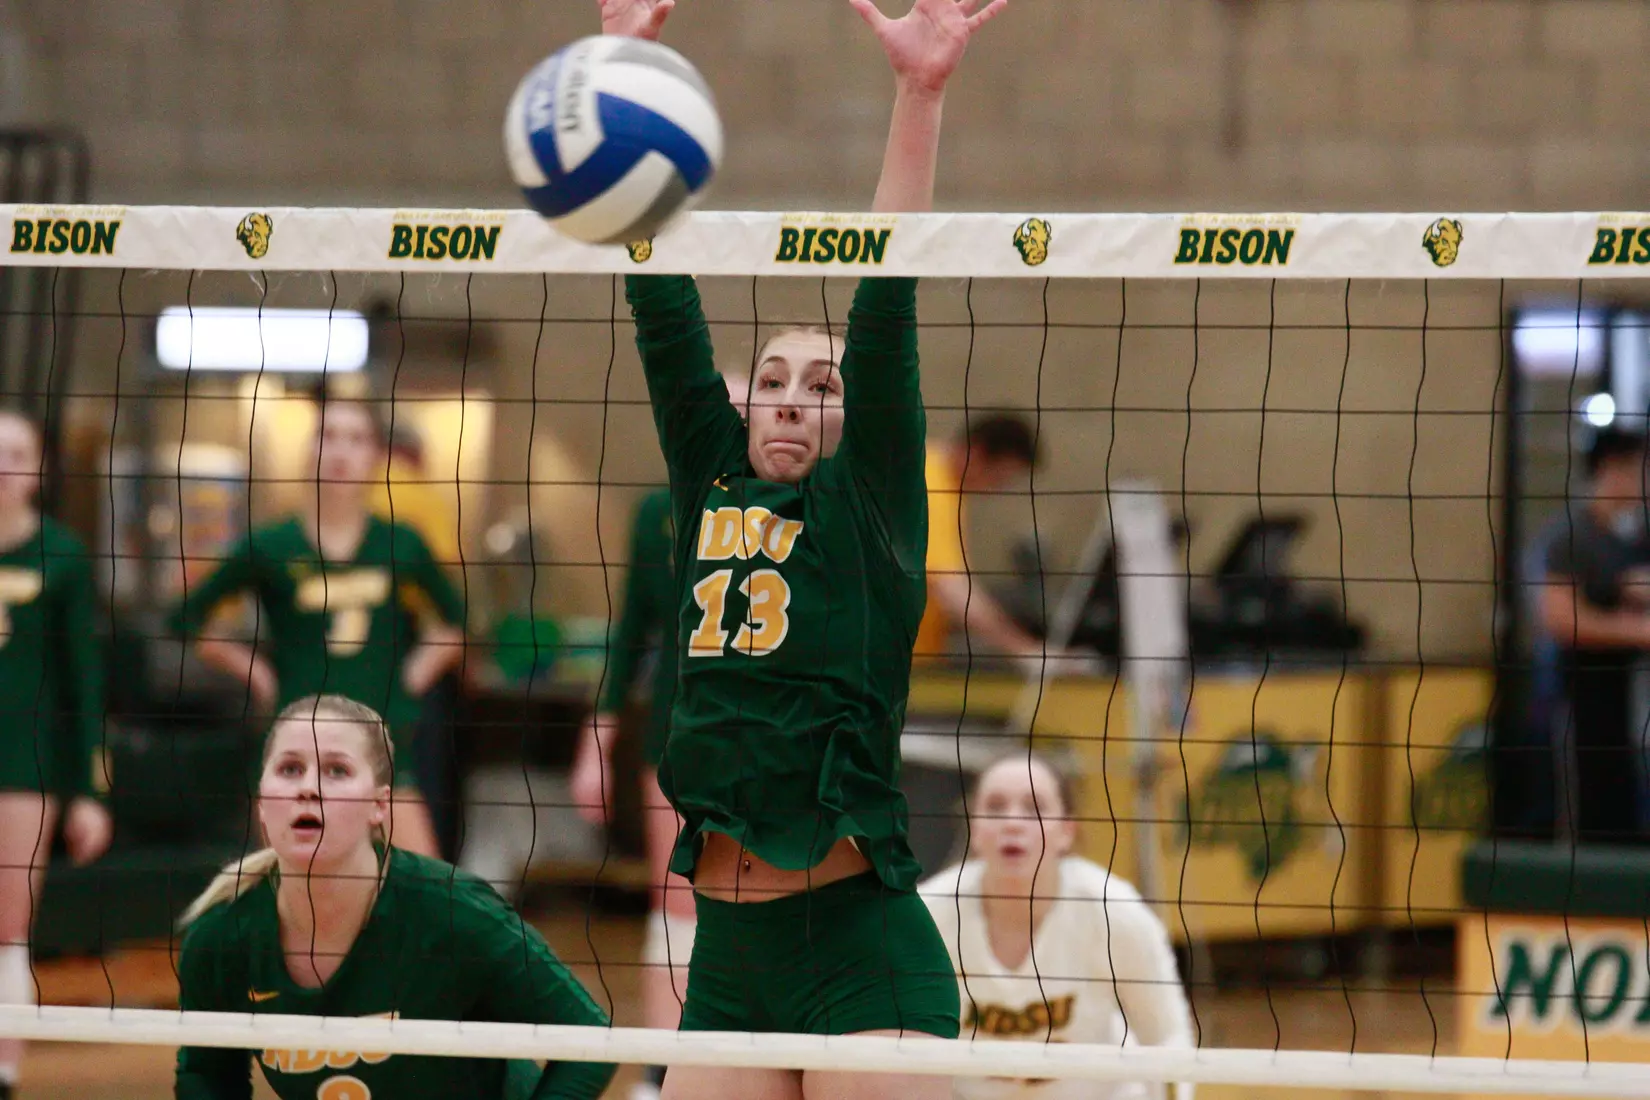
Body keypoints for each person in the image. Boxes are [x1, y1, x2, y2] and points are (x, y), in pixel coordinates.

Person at [607, 0, 1006, 1096]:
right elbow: (660, 305)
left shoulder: (869, 505)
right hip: (727, 958)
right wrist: (628, 78)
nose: (788, 398)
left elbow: (887, 294)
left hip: (857, 952)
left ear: (851, 416)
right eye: (772, 379)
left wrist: (920, 92)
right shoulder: (708, 481)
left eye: (820, 385)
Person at [174, 695, 617, 1100]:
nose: (308, 787)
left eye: (337, 770)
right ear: (261, 802)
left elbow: (590, 1038)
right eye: (290, 769)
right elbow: (206, 1076)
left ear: (380, 806)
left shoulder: (455, 913)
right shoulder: (223, 935)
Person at [172, 400, 466, 858]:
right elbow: (185, 618)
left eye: (356, 439)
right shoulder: (270, 545)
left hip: (382, 741)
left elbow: (458, 623)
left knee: (425, 885)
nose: (340, 452)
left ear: (376, 457)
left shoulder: (402, 543)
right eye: (328, 437)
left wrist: (414, 675)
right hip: (297, 739)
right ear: (308, 453)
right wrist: (255, 672)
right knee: (298, 884)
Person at [569, 372, 748, 1100]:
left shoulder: (798, 507)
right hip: (677, 736)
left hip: (768, 741)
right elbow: (633, 634)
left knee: (757, 906)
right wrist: (596, 742)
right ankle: (658, 1076)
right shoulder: (656, 512)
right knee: (674, 903)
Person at [919, 753, 1192, 1100]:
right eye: (995, 807)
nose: (1012, 822)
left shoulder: (1113, 911)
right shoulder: (930, 915)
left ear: (1066, 831)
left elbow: (1167, 1037)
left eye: (1034, 807)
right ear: (974, 829)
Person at [0, 409, 113, 1100]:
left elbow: (84, 681)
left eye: (16, 453)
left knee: (9, 925)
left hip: (24, 763)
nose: (2, 465)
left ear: (38, 470)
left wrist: (90, 793)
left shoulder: (62, 555)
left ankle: (5, 1067)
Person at [1540, 426, 1650, 844]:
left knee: (1621, 820)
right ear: (1612, 469)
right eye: (1639, 468)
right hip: (1580, 703)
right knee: (1586, 820)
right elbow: (1560, 620)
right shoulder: (1571, 536)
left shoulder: (1626, 539)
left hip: (1625, 706)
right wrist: (1637, 630)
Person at [916, 415, 1046, 665]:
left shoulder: (944, 483)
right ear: (976, 453)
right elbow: (949, 588)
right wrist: (1024, 650)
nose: (995, 490)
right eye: (998, 479)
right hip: (883, 665)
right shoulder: (928, 485)